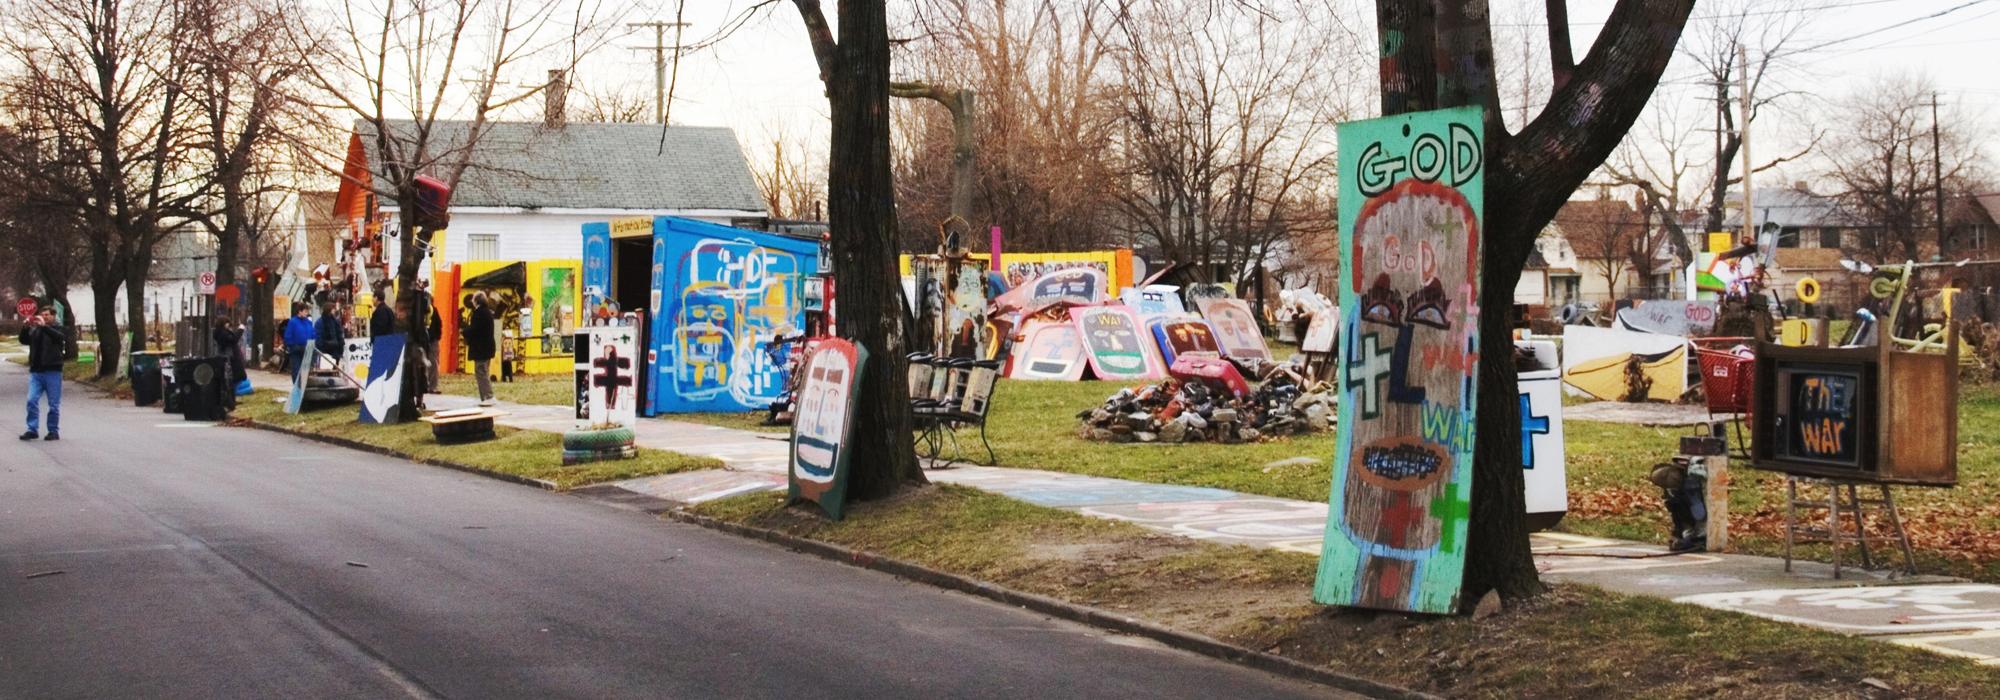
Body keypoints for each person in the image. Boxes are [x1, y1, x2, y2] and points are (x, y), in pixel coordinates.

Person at [19, 305, 65, 441]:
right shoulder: (36, 329)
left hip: (53, 371)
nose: (44, 317)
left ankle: (53, 430)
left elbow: (60, 338)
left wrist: (44, 326)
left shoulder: (57, 328)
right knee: (31, 400)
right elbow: (24, 340)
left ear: (53, 316)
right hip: (36, 372)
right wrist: (26, 327)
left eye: (47, 315)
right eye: (42, 315)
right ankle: (32, 429)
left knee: (53, 404)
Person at [464, 292, 497, 406]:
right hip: (487, 347)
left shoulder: (479, 314)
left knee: (481, 372)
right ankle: (486, 396)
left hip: (481, 348)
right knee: (484, 371)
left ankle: (488, 396)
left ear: (476, 301)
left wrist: (465, 331)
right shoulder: (487, 312)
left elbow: (475, 330)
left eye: (473, 299)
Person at [212, 316, 246, 409]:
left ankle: (231, 400)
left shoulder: (220, 332)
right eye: (227, 323)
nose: (229, 325)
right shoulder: (222, 333)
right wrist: (240, 330)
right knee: (230, 379)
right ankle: (229, 401)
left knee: (231, 380)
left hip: (228, 357)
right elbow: (233, 339)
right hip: (228, 358)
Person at [282, 303, 315, 383]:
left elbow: (313, 333)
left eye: (307, 311)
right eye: (305, 311)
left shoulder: (308, 322)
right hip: (296, 349)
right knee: (296, 370)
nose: (306, 313)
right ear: (299, 312)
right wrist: (293, 345)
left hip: (307, 349)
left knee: (305, 371)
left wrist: (313, 342)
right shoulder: (293, 322)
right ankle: (297, 386)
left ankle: (303, 387)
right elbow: (288, 335)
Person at [316, 301, 347, 366]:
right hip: (326, 350)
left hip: (336, 349)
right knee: (326, 368)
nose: (334, 310)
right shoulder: (320, 322)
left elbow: (339, 333)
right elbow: (318, 336)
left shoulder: (335, 321)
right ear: (329, 310)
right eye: (333, 309)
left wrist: (341, 343)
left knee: (335, 368)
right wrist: (323, 345)